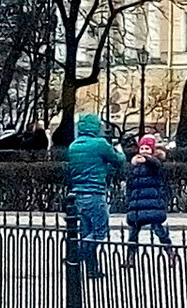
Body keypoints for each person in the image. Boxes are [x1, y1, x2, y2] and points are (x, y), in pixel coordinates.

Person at [67, 114, 126, 279]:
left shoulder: (74, 146)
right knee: (100, 231)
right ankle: (75, 253)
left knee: (87, 231)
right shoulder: (100, 144)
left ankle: (92, 269)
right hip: (95, 193)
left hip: (79, 194)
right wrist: (119, 150)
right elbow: (118, 160)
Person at [120, 134, 177, 268]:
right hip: (137, 204)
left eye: (147, 148)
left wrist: (145, 159)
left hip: (152, 203)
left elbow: (156, 164)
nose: (144, 151)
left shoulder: (155, 162)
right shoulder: (135, 164)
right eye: (142, 148)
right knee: (133, 233)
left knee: (159, 230)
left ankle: (170, 254)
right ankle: (130, 258)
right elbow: (129, 181)